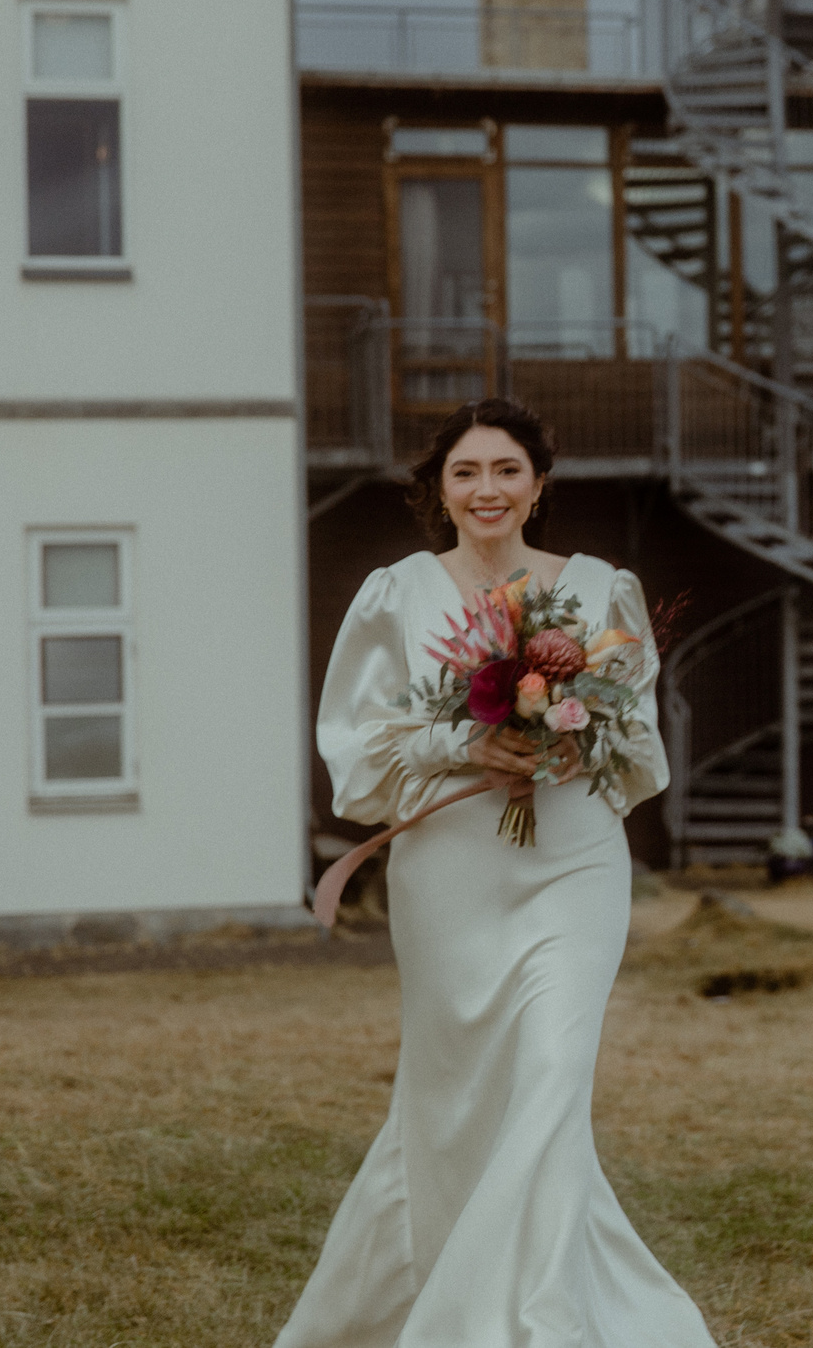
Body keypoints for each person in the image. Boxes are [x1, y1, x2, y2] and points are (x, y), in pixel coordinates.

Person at [277, 397, 713, 1348]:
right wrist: (470, 744)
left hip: (574, 863)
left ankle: (535, 1322)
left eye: (506, 470)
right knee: (455, 1099)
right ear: (440, 488)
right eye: (467, 472)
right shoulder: (397, 593)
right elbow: (357, 746)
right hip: (450, 873)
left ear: (538, 484)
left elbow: (636, 739)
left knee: (552, 1072)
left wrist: (566, 739)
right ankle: (414, 1292)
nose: (488, 489)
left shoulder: (601, 590)